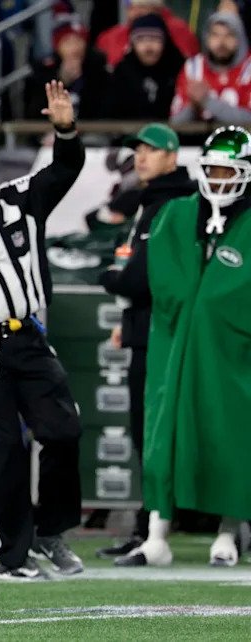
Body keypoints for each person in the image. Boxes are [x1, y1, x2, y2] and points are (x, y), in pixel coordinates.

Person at [0, 81, 86, 581]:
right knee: (3, 451)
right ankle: (12, 556)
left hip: (28, 335)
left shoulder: (21, 199)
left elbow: (65, 169)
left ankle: (50, 531)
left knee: (63, 431)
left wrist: (65, 130)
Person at [119, 125, 251, 568]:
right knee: (164, 435)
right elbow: (166, 281)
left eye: (226, 170)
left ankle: (230, 529)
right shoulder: (176, 214)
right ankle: (157, 534)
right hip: (174, 349)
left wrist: (215, 307)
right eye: (212, 169)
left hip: (229, 355)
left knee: (230, 436)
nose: (218, 178)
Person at [96, 124, 196, 561]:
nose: (142, 156)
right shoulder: (152, 200)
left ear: (173, 156)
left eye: (152, 150)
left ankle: (157, 525)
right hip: (146, 327)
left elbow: (141, 276)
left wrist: (112, 277)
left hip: (162, 331)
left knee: (153, 432)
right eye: (138, 149)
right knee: (145, 433)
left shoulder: (171, 203)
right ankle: (147, 524)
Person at [171, 12, 251, 123]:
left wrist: (207, 101)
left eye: (229, 35)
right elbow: (175, 123)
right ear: (206, 38)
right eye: (215, 35)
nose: (221, 42)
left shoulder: (248, 69)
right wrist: (193, 107)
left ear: (240, 39)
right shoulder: (193, 68)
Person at [104, 14, 185, 120]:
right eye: (141, 40)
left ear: (165, 42)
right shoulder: (121, 72)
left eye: (155, 39)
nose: (148, 47)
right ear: (132, 44)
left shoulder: (180, 70)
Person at [95, 0, 198, 68]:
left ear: (156, 8)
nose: (134, 12)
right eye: (129, 6)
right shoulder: (110, 37)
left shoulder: (178, 31)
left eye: (141, 7)